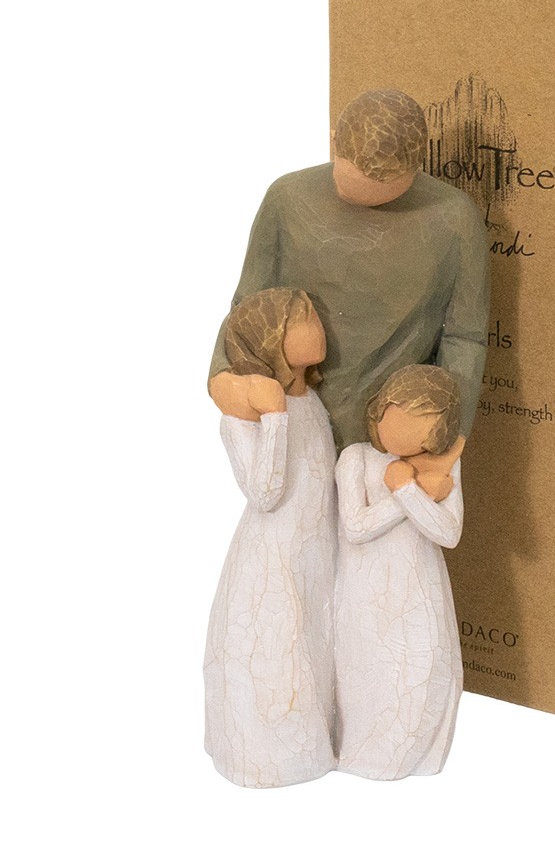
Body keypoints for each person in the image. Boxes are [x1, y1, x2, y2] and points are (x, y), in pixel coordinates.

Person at [208, 89, 490, 450]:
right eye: (352, 182)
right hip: (291, 415)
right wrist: (226, 376)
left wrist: (448, 439)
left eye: (384, 189)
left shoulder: (454, 219)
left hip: (391, 435)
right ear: (333, 141)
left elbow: (464, 337)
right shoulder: (287, 198)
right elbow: (248, 306)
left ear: (416, 167)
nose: (364, 201)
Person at [204, 288, 338, 788]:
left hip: (316, 553)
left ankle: (318, 743)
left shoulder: (314, 400)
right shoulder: (243, 419)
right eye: (303, 319)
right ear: (271, 338)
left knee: (314, 647)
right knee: (277, 650)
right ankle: (268, 758)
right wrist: (274, 417)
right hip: (272, 560)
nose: (317, 326)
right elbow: (264, 493)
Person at [333, 365, 465, 780]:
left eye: (421, 425)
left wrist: (409, 490)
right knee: (368, 672)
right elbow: (356, 527)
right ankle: (362, 756)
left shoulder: (443, 463)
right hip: (365, 590)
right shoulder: (356, 458)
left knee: (425, 667)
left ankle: (416, 755)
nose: (405, 432)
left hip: (420, 585)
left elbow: (449, 533)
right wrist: (407, 493)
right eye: (397, 416)